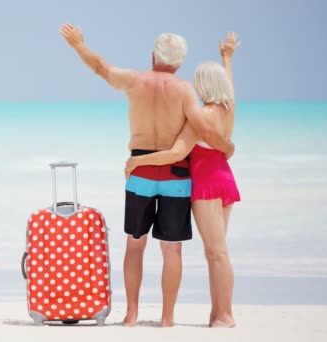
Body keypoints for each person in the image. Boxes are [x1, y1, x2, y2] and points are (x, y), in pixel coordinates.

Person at [59, 24, 234, 327]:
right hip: (176, 174)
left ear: (153, 55)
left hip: (139, 168)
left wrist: (79, 45)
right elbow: (204, 129)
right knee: (171, 249)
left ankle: (131, 315)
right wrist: (227, 147)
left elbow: (100, 67)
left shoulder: (134, 81)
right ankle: (167, 319)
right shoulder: (184, 90)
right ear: (179, 63)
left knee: (135, 244)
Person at [125, 32, 242, 328]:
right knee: (216, 250)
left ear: (202, 86)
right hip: (225, 179)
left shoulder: (200, 118)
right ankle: (218, 313)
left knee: (216, 251)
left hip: (205, 184)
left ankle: (225, 315)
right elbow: (229, 88)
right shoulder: (228, 108)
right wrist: (227, 58)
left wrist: (138, 160)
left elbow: (176, 152)